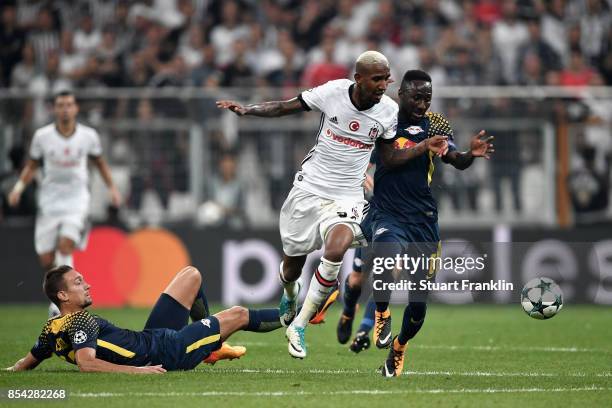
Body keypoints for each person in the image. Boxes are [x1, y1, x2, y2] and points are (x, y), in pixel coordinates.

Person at [217, 51, 447, 359]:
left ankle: (298, 324)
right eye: (377, 79)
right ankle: (290, 294)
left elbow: (390, 157)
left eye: (387, 78)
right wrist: (248, 110)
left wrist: (420, 148)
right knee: (291, 267)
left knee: (336, 249)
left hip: (347, 195)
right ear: (359, 79)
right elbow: (286, 107)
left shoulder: (388, 111)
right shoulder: (333, 92)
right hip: (309, 188)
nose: (384, 84)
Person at [338, 69, 494, 377]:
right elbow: (388, 160)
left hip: (422, 220)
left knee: (418, 305)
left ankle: (398, 348)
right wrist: (364, 177)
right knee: (383, 260)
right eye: (417, 97)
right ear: (401, 95)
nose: (423, 104)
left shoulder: (435, 124)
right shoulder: (385, 120)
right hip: (386, 212)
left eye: (427, 98)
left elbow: (454, 158)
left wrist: (470, 155)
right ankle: (379, 314)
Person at [6, 264, 282, 373]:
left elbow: (23, 365)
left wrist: (8, 374)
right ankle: (303, 314)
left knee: (191, 276)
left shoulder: (51, 329)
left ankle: (211, 346)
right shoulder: (80, 321)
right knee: (239, 314)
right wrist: (140, 371)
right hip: (166, 351)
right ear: (63, 296)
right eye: (79, 282)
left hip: (152, 338)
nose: (87, 284)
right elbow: (86, 363)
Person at [8, 90, 122, 316]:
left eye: (69, 104)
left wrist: (112, 188)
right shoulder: (42, 136)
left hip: (77, 199)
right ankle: (60, 296)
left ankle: (60, 305)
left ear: (76, 108)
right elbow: (32, 165)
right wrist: (18, 188)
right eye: (61, 105)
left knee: (65, 245)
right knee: (46, 258)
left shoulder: (88, 136)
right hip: (49, 201)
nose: (65, 109)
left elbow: (99, 163)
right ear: (55, 109)